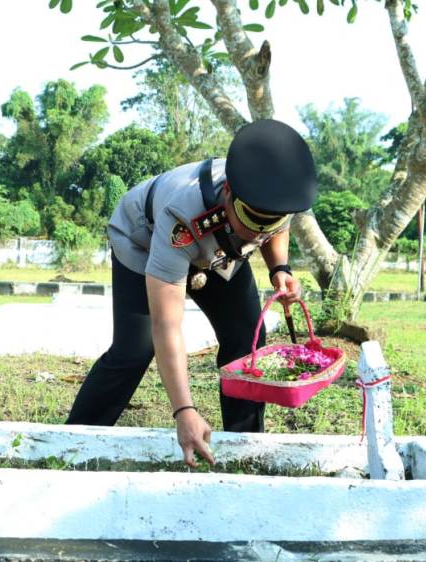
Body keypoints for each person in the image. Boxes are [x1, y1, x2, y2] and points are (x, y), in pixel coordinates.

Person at [66, 119, 317, 466]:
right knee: (135, 350)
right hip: (143, 240)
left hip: (220, 249)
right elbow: (167, 326)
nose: (259, 232)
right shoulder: (181, 216)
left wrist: (280, 269)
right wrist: (184, 411)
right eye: (252, 218)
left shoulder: (274, 191)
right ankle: (73, 443)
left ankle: (243, 447)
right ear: (228, 191)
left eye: (269, 223)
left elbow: (276, 226)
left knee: (246, 340)